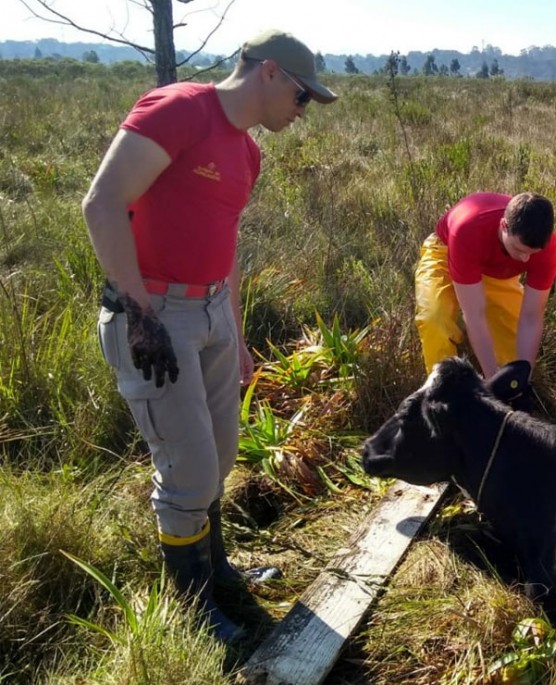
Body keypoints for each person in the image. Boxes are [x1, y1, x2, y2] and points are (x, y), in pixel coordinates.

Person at [82, 29, 338, 643]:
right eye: (302, 96)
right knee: (189, 468)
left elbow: (225, 245)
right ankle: (194, 610)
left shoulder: (248, 154)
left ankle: (218, 573)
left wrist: (237, 335)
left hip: (214, 312)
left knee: (220, 456)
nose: (302, 111)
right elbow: (102, 203)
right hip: (154, 313)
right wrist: (141, 314)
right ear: (269, 72)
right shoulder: (179, 109)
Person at [414, 192, 556, 408]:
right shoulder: (468, 231)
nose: (525, 259)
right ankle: (447, 401)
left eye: (532, 253)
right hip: (446, 251)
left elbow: (531, 317)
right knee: (435, 319)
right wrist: (494, 383)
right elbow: (474, 316)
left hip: (496, 270)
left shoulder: (548, 249)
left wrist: (521, 380)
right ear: (504, 226)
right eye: (519, 250)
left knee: (513, 354)